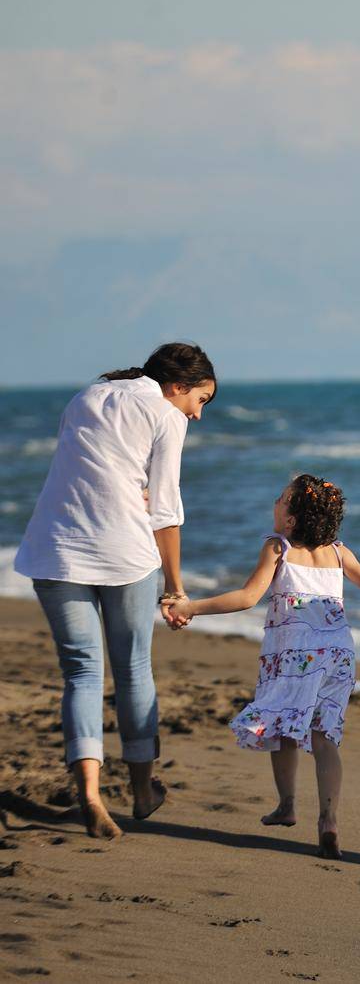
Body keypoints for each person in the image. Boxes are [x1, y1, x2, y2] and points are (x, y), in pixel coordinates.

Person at [162, 474, 360, 859]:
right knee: (324, 735)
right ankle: (328, 819)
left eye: (280, 498)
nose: (274, 502)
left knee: (281, 725)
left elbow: (247, 597)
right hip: (338, 654)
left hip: (293, 654)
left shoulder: (279, 548)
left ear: (290, 520)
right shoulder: (340, 552)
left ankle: (288, 804)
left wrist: (190, 607)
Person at [13, 342, 217, 838]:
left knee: (81, 672)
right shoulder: (166, 415)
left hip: (54, 549)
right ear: (178, 386)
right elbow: (165, 511)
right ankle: (143, 792)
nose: (198, 414)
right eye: (202, 400)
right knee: (131, 668)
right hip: (123, 553)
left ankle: (89, 793)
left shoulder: (88, 395)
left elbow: (89, 472)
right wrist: (174, 586)